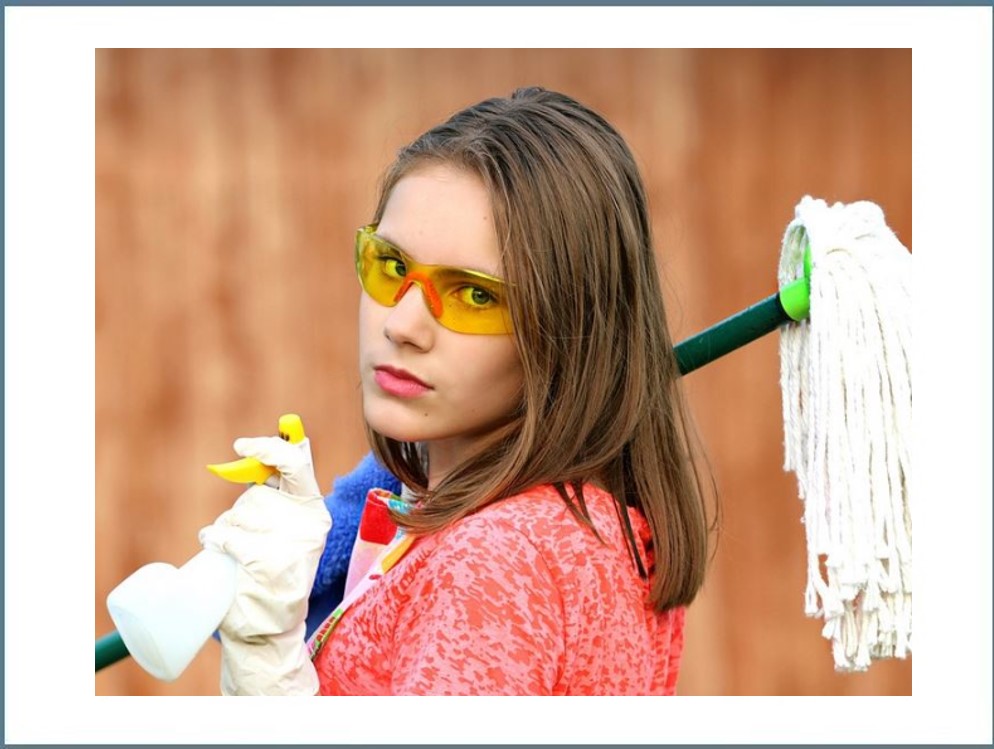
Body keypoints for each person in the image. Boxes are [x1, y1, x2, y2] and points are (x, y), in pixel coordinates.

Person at [199, 86, 714, 696]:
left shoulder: (497, 564)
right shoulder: (593, 529)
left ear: (570, 332)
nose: (401, 324)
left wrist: (268, 687)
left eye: (474, 294)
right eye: (392, 266)